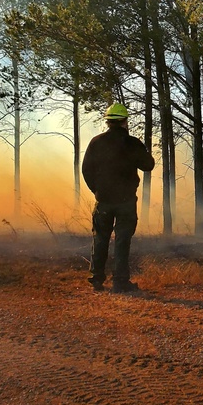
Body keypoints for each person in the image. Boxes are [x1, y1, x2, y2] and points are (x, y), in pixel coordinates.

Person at [81, 102, 155, 293]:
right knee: (122, 240)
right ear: (124, 121)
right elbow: (148, 165)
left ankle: (96, 278)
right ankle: (120, 282)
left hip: (103, 200)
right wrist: (146, 153)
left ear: (108, 122)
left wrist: (97, 190)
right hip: (126, 202)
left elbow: (86, 169)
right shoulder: (132, 143)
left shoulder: (96, 142)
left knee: (100, 238)